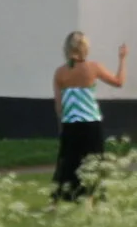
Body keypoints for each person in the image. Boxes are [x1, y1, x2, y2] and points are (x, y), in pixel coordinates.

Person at [52, 31, 128, 201]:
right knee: (93, 162)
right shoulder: (93, 68)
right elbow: (119, 82)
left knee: (68, 163)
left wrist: (62, 126)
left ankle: (60, 197)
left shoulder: (60, 73)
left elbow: (59, 105)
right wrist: (122, 59)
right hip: (91, 123)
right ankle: (91, 198)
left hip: (71, 124)